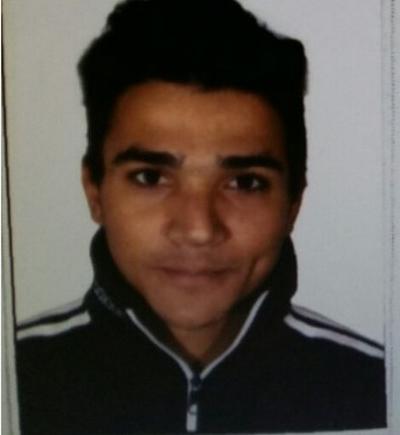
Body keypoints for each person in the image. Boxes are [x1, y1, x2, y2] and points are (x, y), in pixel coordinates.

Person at [16, 0, 386, 433]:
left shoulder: (373, 385)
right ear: (94, 192)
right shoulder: (17, 373)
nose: (198, 230)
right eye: (151, 177)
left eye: (245, 182)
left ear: (293, 204)